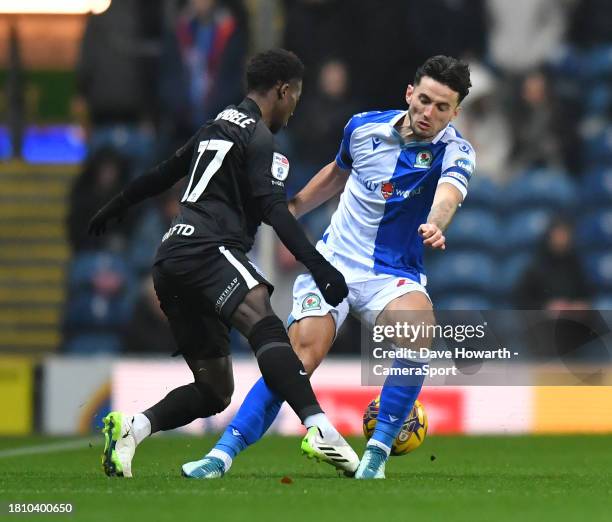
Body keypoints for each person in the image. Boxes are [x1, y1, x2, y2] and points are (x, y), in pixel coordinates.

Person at [183, 55, 475, 480]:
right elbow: (338, 175)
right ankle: (220, 456)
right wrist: (293, 208)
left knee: (419, 330)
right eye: (425, 100)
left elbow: (449, 193)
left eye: (442, 107)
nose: (429, 113)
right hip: (334, 263)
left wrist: (436, 221)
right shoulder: (362, 128)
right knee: (298, 357)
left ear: (455, 112)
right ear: (410, 93)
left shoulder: (456, 150)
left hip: (391, 276)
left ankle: (374, 457)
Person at [88, 49, 358, 478]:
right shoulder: (261, 139)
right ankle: (319, 426)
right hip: (209, 250)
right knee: (266, 326)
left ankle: (134, 429)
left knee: (215, 389)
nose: (294, 109)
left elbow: (162, 174)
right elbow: (276, 211)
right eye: (295, 98)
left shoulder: (215, 125)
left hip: (170, 258)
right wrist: (319, 267)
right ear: (283, 91)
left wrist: (116, 205)